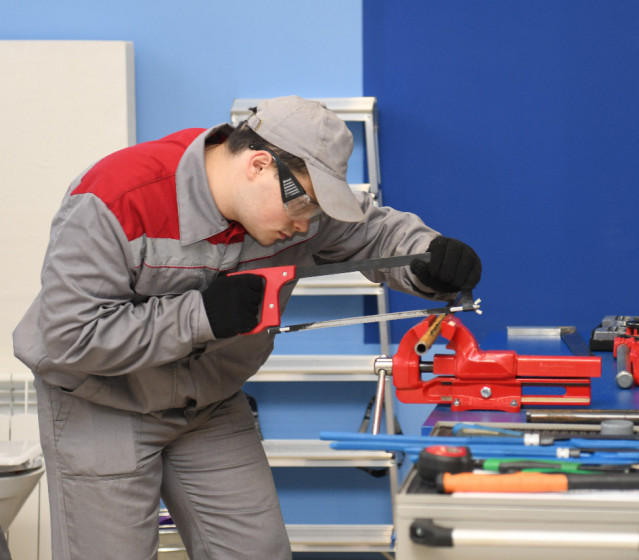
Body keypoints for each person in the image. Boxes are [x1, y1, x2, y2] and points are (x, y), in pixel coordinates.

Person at [13, 95, 481, 560]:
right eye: (306, 208)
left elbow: (377, 234)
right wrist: (201, 316)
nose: (307, 226)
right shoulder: (114, 198)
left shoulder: (297, 203)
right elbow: (70, 336)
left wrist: (429, 259)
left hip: (208, 404)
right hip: (102, 402)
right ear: (260, 165)